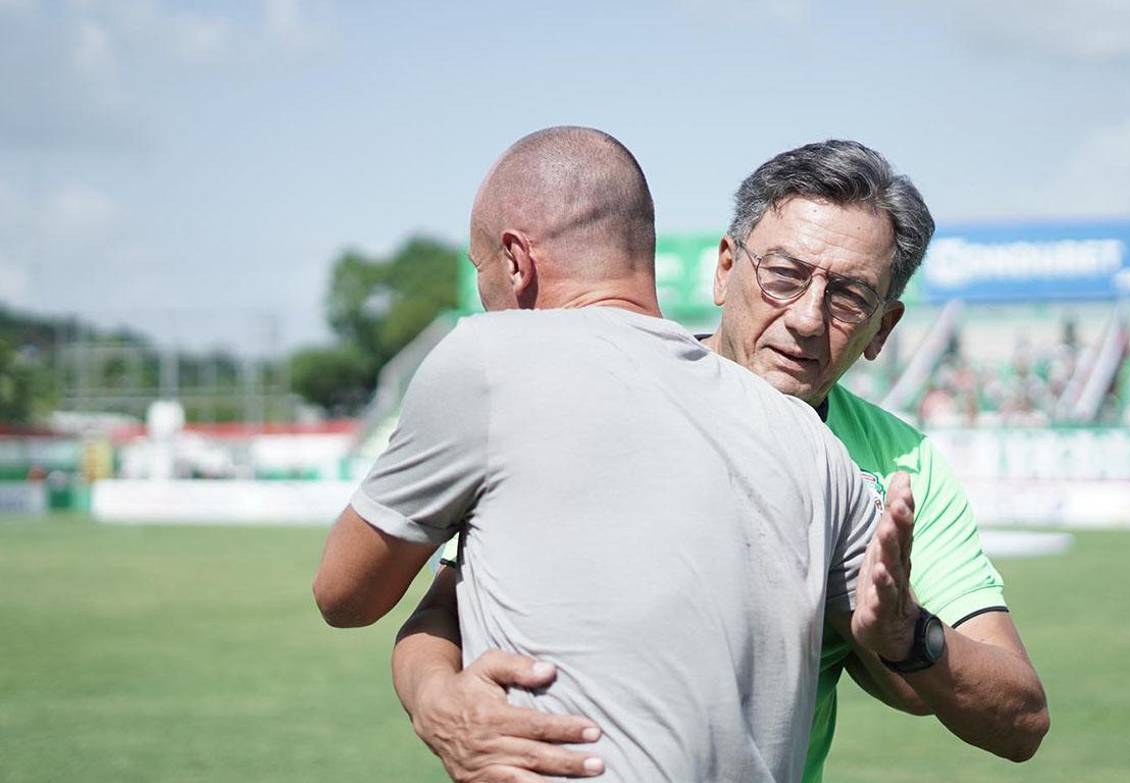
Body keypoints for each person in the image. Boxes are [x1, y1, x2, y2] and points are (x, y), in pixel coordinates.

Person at [392, 140, 1050, 782]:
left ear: (883, 329)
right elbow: (441, 608)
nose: (806, 318)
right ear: (725, 268)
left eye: (849, 297)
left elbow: (1021, 718)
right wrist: (436, 704)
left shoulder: (901, 466)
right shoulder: (601, 389)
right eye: (784, 276)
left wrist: (908, 634)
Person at [314, 127, 914, 782]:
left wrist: (433, 696)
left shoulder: (487, 361)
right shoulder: (811, 440)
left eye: (480, 265)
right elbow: (916, 680)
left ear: (515, 261)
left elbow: (345, 595)